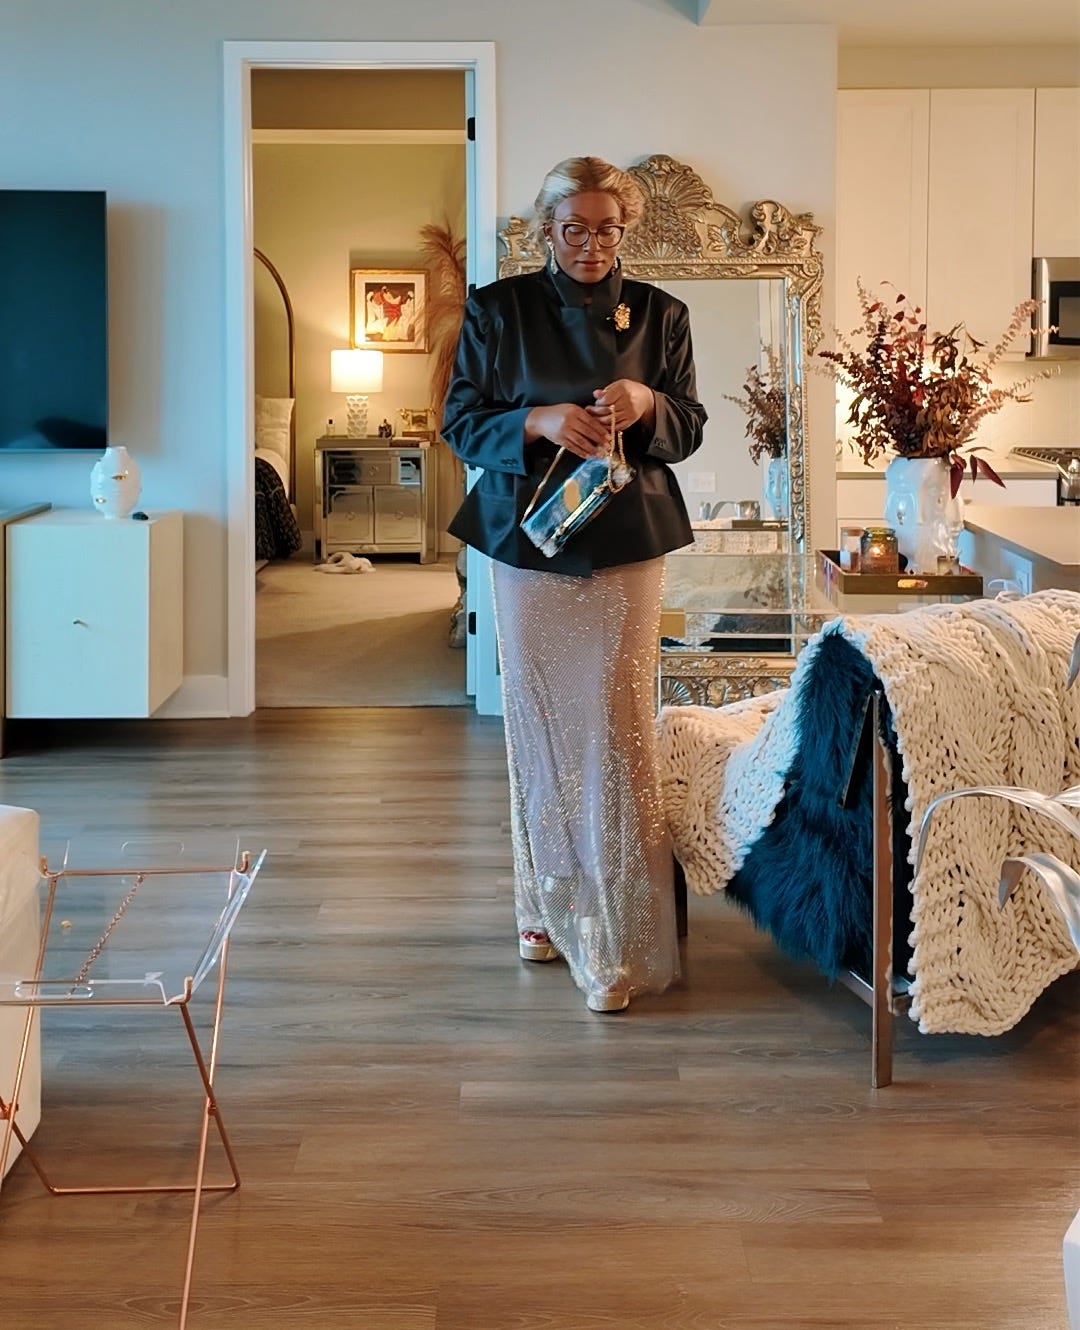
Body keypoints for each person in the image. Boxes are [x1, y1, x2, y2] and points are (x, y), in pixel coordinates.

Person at [441, 156, 707, 1014]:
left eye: (607, 229)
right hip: (526, 540)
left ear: (625, 229)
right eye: (574, 229)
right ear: (546, 230)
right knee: (541, 728)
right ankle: (542, 904)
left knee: (618, 731)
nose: (592, 245)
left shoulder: (663, 313)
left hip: (629, 541)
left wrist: (647, 403)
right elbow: (459, 424)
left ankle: (614, 934)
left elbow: (690, 426)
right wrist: (537, 419)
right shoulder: (498, 309)